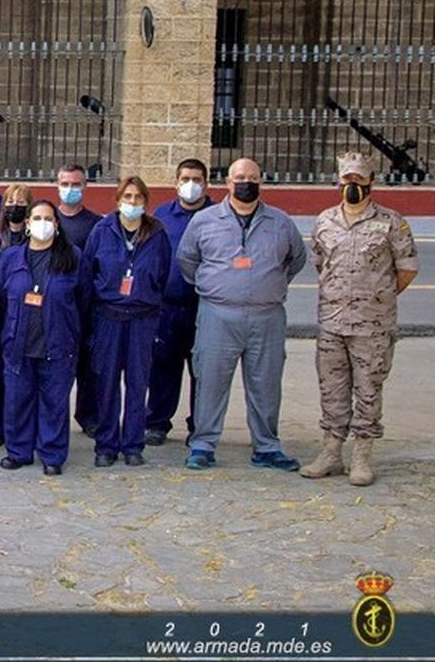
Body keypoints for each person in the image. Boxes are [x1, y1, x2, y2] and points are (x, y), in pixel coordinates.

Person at [178, 158, 308, 471]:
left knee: (266, 384)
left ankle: (266, 446)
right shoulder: (205, 221)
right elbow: (187, 261)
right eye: (239, 177)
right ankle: (203, 444)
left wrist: (266, 286)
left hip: (267, 317)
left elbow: (296, 260)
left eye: (252, 177)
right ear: (228, 182)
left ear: (261, 183)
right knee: (210, 380)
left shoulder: (280, 222)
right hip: (218, 315)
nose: (245, 182)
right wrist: (220, 287)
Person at [301, 152, 419, 486]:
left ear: (371, 182)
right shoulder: (325, 221)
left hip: (373, 325)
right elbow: (321, 263)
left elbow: (407, 269)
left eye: (359, 179)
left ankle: (362, 456)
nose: (352, 184)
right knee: (332, 388)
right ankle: (330, 452)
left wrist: (377, 296)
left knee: (368, 389)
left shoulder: (391, 222)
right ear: (339, 181)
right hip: (332, 322)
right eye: (347, 179)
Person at [84, 177, 171, 467]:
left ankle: (133, 444)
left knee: (137, 383)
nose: (132, 203)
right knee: (107, 383)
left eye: (138, 198)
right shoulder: (102, 230)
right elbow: (88, 272)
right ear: (118, 199)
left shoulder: (157, 233)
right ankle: (106, 444)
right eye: (128, 197)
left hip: (142, 319)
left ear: (146, 202)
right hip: (108, 317)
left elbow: (163, 273)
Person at [0, 200, 87, 475]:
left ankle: (52, 454)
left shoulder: (72, 257)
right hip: (19, 342)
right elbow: (2, 295)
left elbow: (83, 299)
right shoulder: (11, 257)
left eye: (48, 219)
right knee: (17, 400)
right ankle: (19, 451)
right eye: (37, 218)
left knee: (54, 403)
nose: (42, 224)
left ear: (57, 225)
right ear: (27, 224)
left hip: (58, 344)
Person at [145, 158, 212, 446]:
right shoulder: (161, 216)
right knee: (162, 368)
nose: (191, 185)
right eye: (185, 179)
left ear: (206, 184)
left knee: (203, 370)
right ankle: (157, 422)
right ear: (176, 182)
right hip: (168, 307)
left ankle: (199, 427)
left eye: (197, 179)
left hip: (205, 307)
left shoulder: (218, 215)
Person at [0, 182, 33, 448]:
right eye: (10, 201)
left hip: (24, 315)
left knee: (19, 374)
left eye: (21, 202)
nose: (14, 206)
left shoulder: (34, 237)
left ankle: (19, 427)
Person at [56, 163, 105, 439]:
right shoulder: (49, 220)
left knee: (88, 366)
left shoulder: (96, 224)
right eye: (65, 184)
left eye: (76, 184)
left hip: (85, 305)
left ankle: (88, 416)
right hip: (56, 307)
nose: (70, 189)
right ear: (57, 185)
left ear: (85, 186)